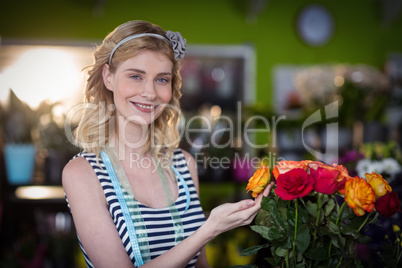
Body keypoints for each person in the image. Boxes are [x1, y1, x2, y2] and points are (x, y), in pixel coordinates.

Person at [62, 20, 273, 268]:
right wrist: (209, 229)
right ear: (108, 77)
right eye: (135, 76)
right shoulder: (83, 174)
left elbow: (200, 265)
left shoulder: (183, 164)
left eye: (162, 79)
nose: (150, 93)